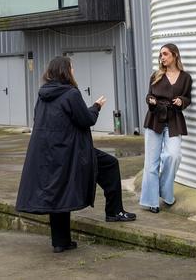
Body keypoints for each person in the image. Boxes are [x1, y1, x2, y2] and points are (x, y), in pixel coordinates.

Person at [15, 55, 137, 253]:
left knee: (57, 193)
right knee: (110, 164)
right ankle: (114, 212)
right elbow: (86, 120)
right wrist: (96, 107)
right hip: (71, 151)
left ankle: (60, 242)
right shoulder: (71, 94)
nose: (73, 71)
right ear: (65, 71)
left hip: (49, 152)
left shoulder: (43, 95)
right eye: (71, 68)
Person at [140, 43, 192, 213]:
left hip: (174, 119)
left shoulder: (185, 77)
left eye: (165, 54)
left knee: (173, 155)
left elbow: (187, 98)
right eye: (161, 55)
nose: (162, 57)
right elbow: (149, 95)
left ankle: (164, 189)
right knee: (151, 163)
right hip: (155, 119)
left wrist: (181, 101)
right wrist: (151, 101)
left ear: (175, 55)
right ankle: (152, 201)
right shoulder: (155, 75)